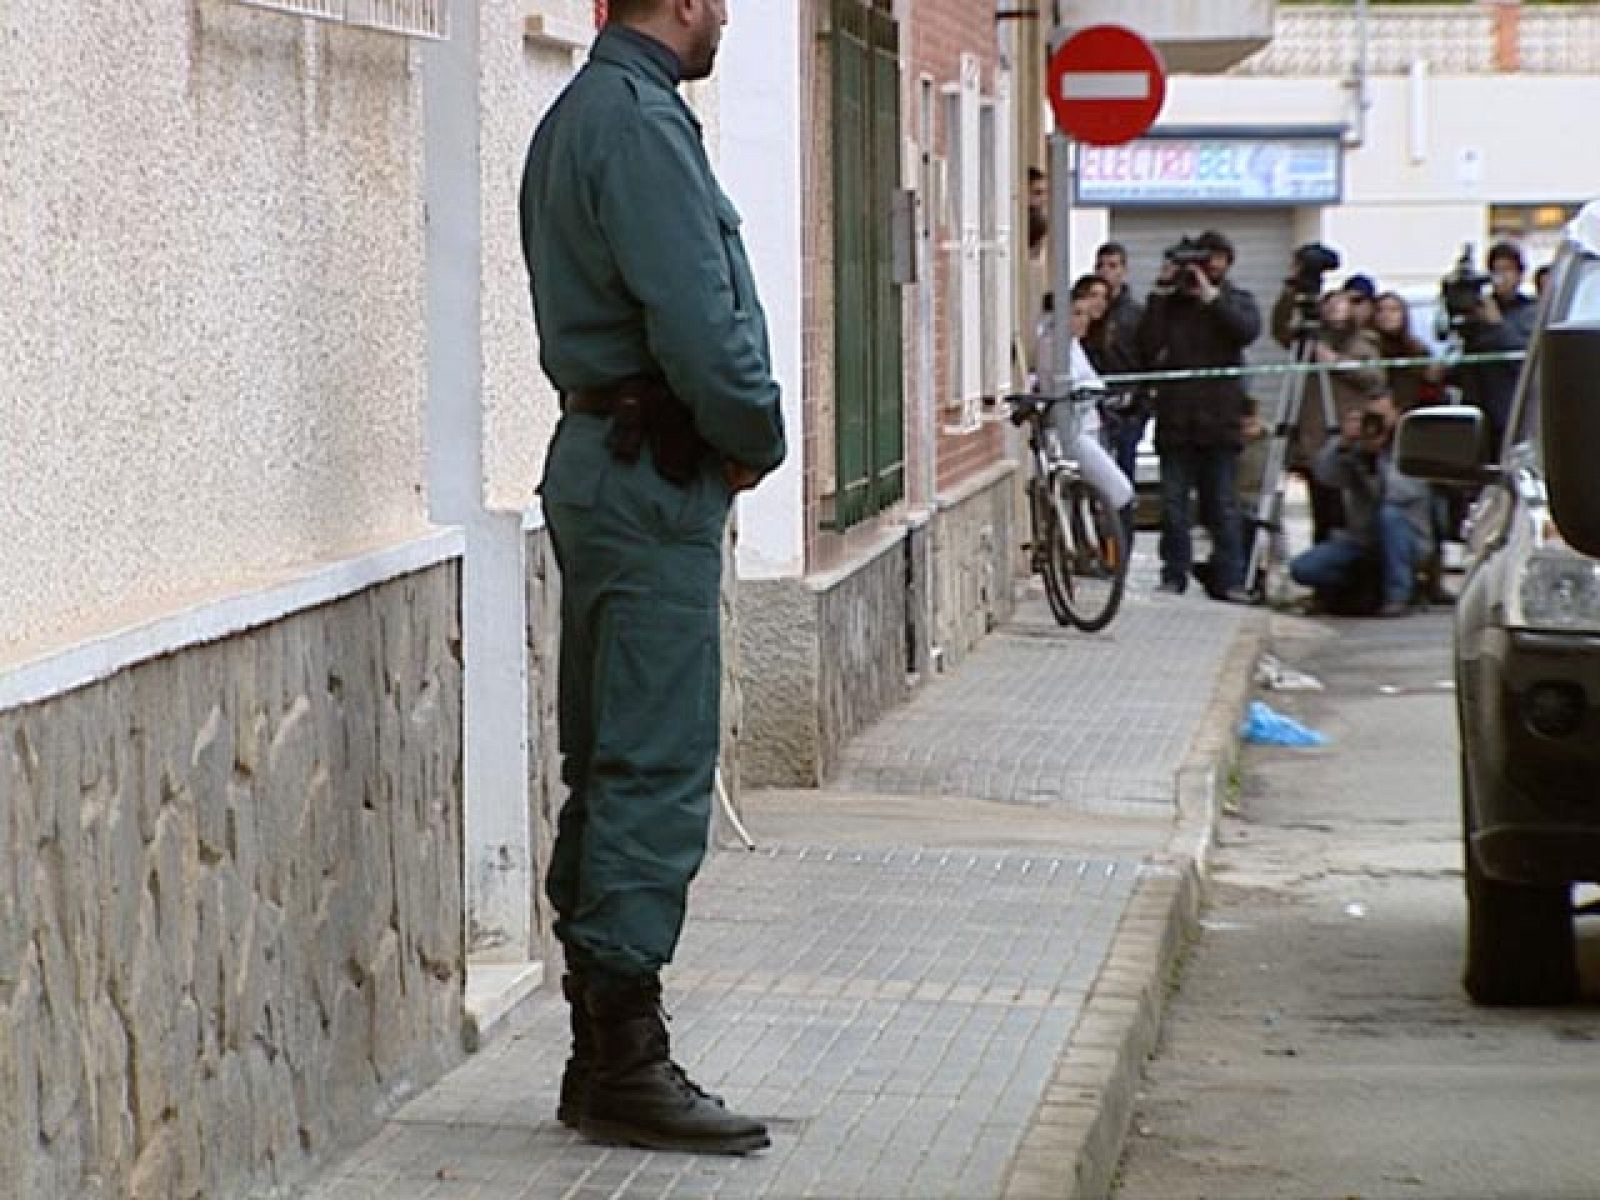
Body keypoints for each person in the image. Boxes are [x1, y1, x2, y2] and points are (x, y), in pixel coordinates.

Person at [519, 0, 783, 1156]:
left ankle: (600, 1053)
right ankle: (624, 1059)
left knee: (615, 748)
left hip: (614, 458)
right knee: (653, 756)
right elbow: (698, 319)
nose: (721, 12)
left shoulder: (592, 111)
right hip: (649, 466)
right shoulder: (634, 121)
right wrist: (755, 434)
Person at [1135, 229, 1262, 602]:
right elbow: (1147, 345)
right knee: (1173, 506)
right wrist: (1161, 291)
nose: (1204, 269)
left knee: (1222, 505)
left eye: (1213, 260)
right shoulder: (1170, 306)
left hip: (1220, 423)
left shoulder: (1236, 300)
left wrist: (1212, 297)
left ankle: (1231, 577)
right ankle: (1174, 574)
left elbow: (1246, 332)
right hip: (1177, 422)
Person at [1289, 395, 1432, 617]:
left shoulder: (1410, 444)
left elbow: (1401, 493)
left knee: (1390, 515)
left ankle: (1399, 595)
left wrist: (1375, 462)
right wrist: (1343, 444)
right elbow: (1325, 476)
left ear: (1396, 414)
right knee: (1303, 569)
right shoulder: (1355, 449)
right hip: (1361, 539)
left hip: (1407, 538)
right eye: (1370, 417)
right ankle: (1354, 587)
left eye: (1381, 417)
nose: (1375, 424)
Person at [1270, 283, 1387, 544]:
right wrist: (1291, 289)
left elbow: (1374, 378)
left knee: (1348, 510)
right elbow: (1280, 329)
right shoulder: (1308, 342)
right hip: (1314, 436)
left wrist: (1335, 361)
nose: (1335, 309)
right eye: (1329, 303)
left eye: (1341, 303)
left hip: (1348, 437)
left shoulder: (1363, 341)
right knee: (1321, 511)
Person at [1034, 291, 1135, 516]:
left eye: (1085, 314)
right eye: (1076, 313)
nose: (1084, 320)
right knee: (1119, 489)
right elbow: (1065, 385)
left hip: (1089, 424)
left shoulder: (1074, 345)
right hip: (1070, 429)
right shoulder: (1052, 345)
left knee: (1101, 496)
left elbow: (1093, 381)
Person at [1452, 240, 1538, 455]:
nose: (1502, 277)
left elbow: (1523, 357)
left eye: (1508, 270)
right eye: (1496, 270)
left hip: (1513, 410)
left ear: (1519, 275)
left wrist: (1497, 325)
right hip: (1480, 408)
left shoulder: (1531, 312)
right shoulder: (1479, 309)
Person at [1093, 242, 1148, 484]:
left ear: (1124, 270)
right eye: (1101, 266)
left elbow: (1147, 359)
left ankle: (1122, 521)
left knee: (1123, 473)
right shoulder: (1091, 313)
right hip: (1095, 404)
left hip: (1129, 407)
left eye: (1113, 266)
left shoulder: (1137, 314)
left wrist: (1141, 404)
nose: (1106, 272)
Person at [1372, 291, 1444, 414]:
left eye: (1393, 310)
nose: (1386, 315)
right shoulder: (1371, 347)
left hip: (1414, 414)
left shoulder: (1417, 348)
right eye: (1380, 310)